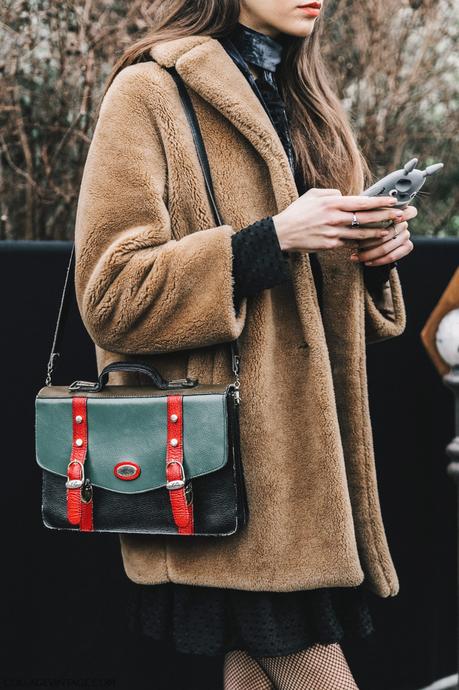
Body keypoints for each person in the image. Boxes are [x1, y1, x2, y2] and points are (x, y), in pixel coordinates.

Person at [73, 1, 415, 688]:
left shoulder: (303, 98)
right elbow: (112, 295)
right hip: (224, 471)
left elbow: (313, 307)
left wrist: (368, 256)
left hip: (303, 478)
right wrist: (272, 239)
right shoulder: (151, 90)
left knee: (253, 673)